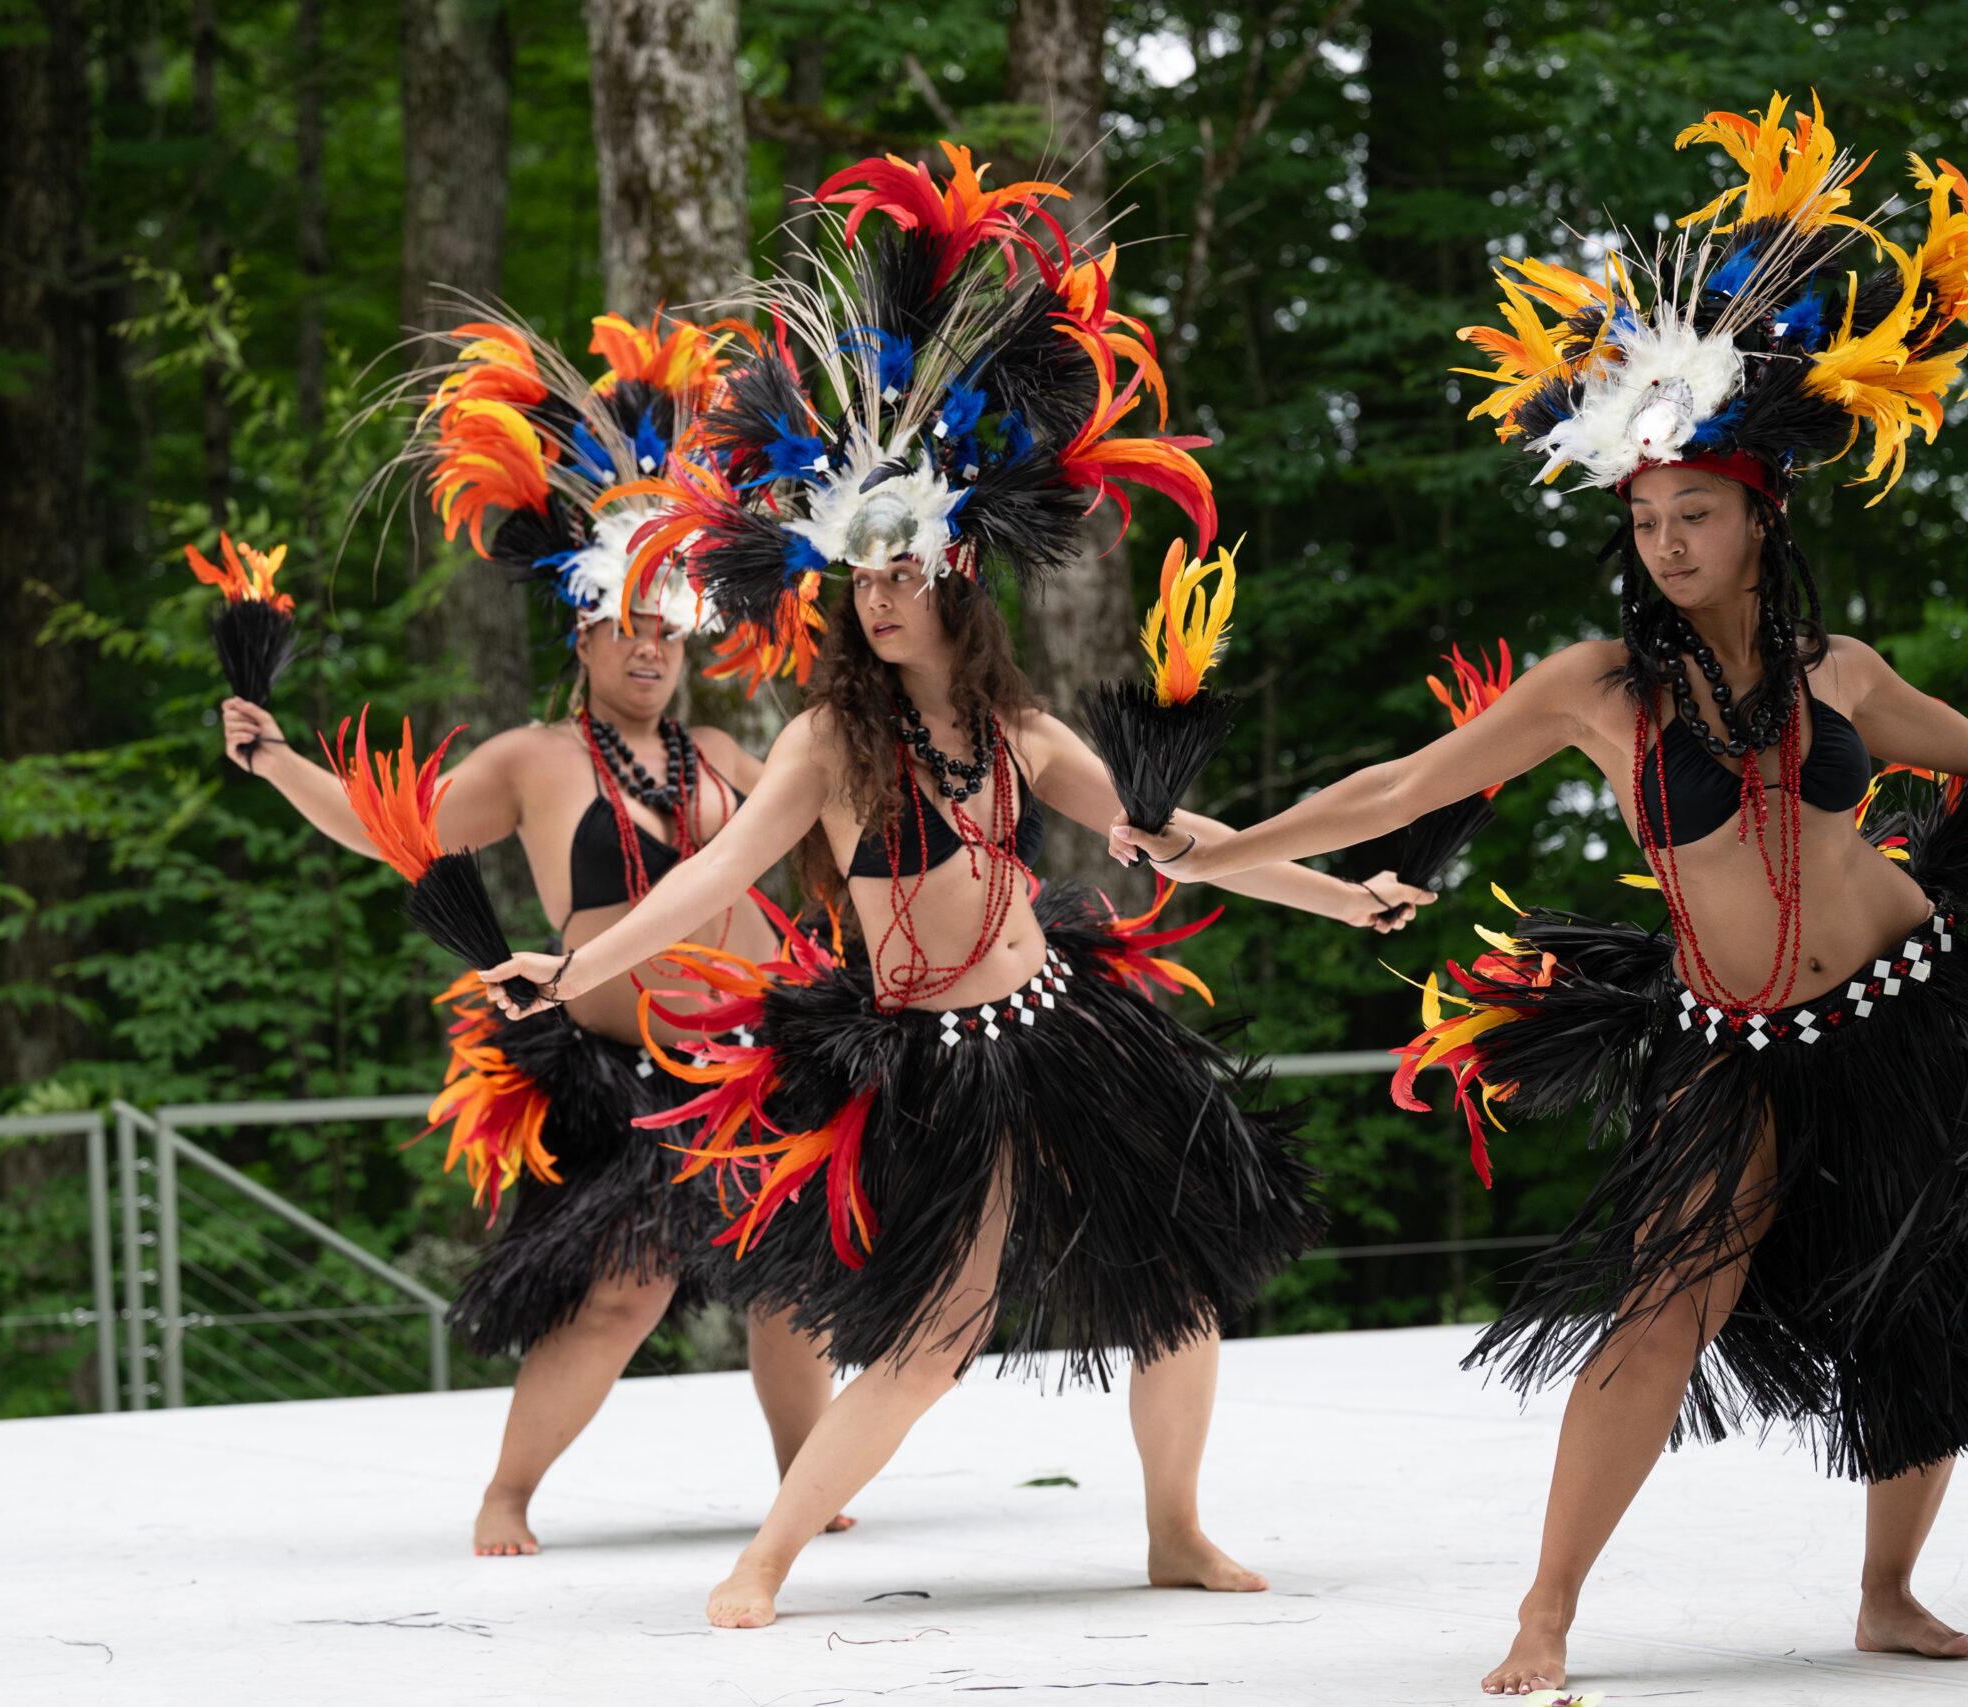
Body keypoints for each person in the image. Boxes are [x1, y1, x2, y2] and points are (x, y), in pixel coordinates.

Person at [1110, 95, 1968, 1694]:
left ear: (1761, 516)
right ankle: (1547, 1612)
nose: (1664, 541)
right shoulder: (1596, 690)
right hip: (1732, 1040)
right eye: (1643, 519)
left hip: (1912, 1014)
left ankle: (1890, 1587)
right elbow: (1395, 790)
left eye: (1693, 513)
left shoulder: (1842, 669)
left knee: (1926, 1299)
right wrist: (1216, 851)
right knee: (1657, 1313)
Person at [472, 142, 1430, 1627]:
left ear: (957, 576)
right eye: (864, 573)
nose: (883, 589)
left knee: (1175, 1287)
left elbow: (1177, 840)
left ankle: (1177, 1525)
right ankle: (764, 1558)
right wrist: (561, 967)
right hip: (928, 1059)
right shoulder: (823, 740)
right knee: (936, 1330)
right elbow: (714, 865)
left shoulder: (1020, 731)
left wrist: (1339, 891)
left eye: (908, 566)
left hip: (1058, 1023)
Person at [223, 309, 849, 1558]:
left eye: (669, 631)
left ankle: (808, 1486)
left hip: (761, 1062)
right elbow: (383, 826)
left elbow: (839, 872)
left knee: (795, 1285)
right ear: (583, 628)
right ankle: (506, 1497)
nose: (651, 650)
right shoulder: (535, 761)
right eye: (629, 626)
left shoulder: (730, 753)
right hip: (623, 1074)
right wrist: (278, 758)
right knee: (622, 1291)